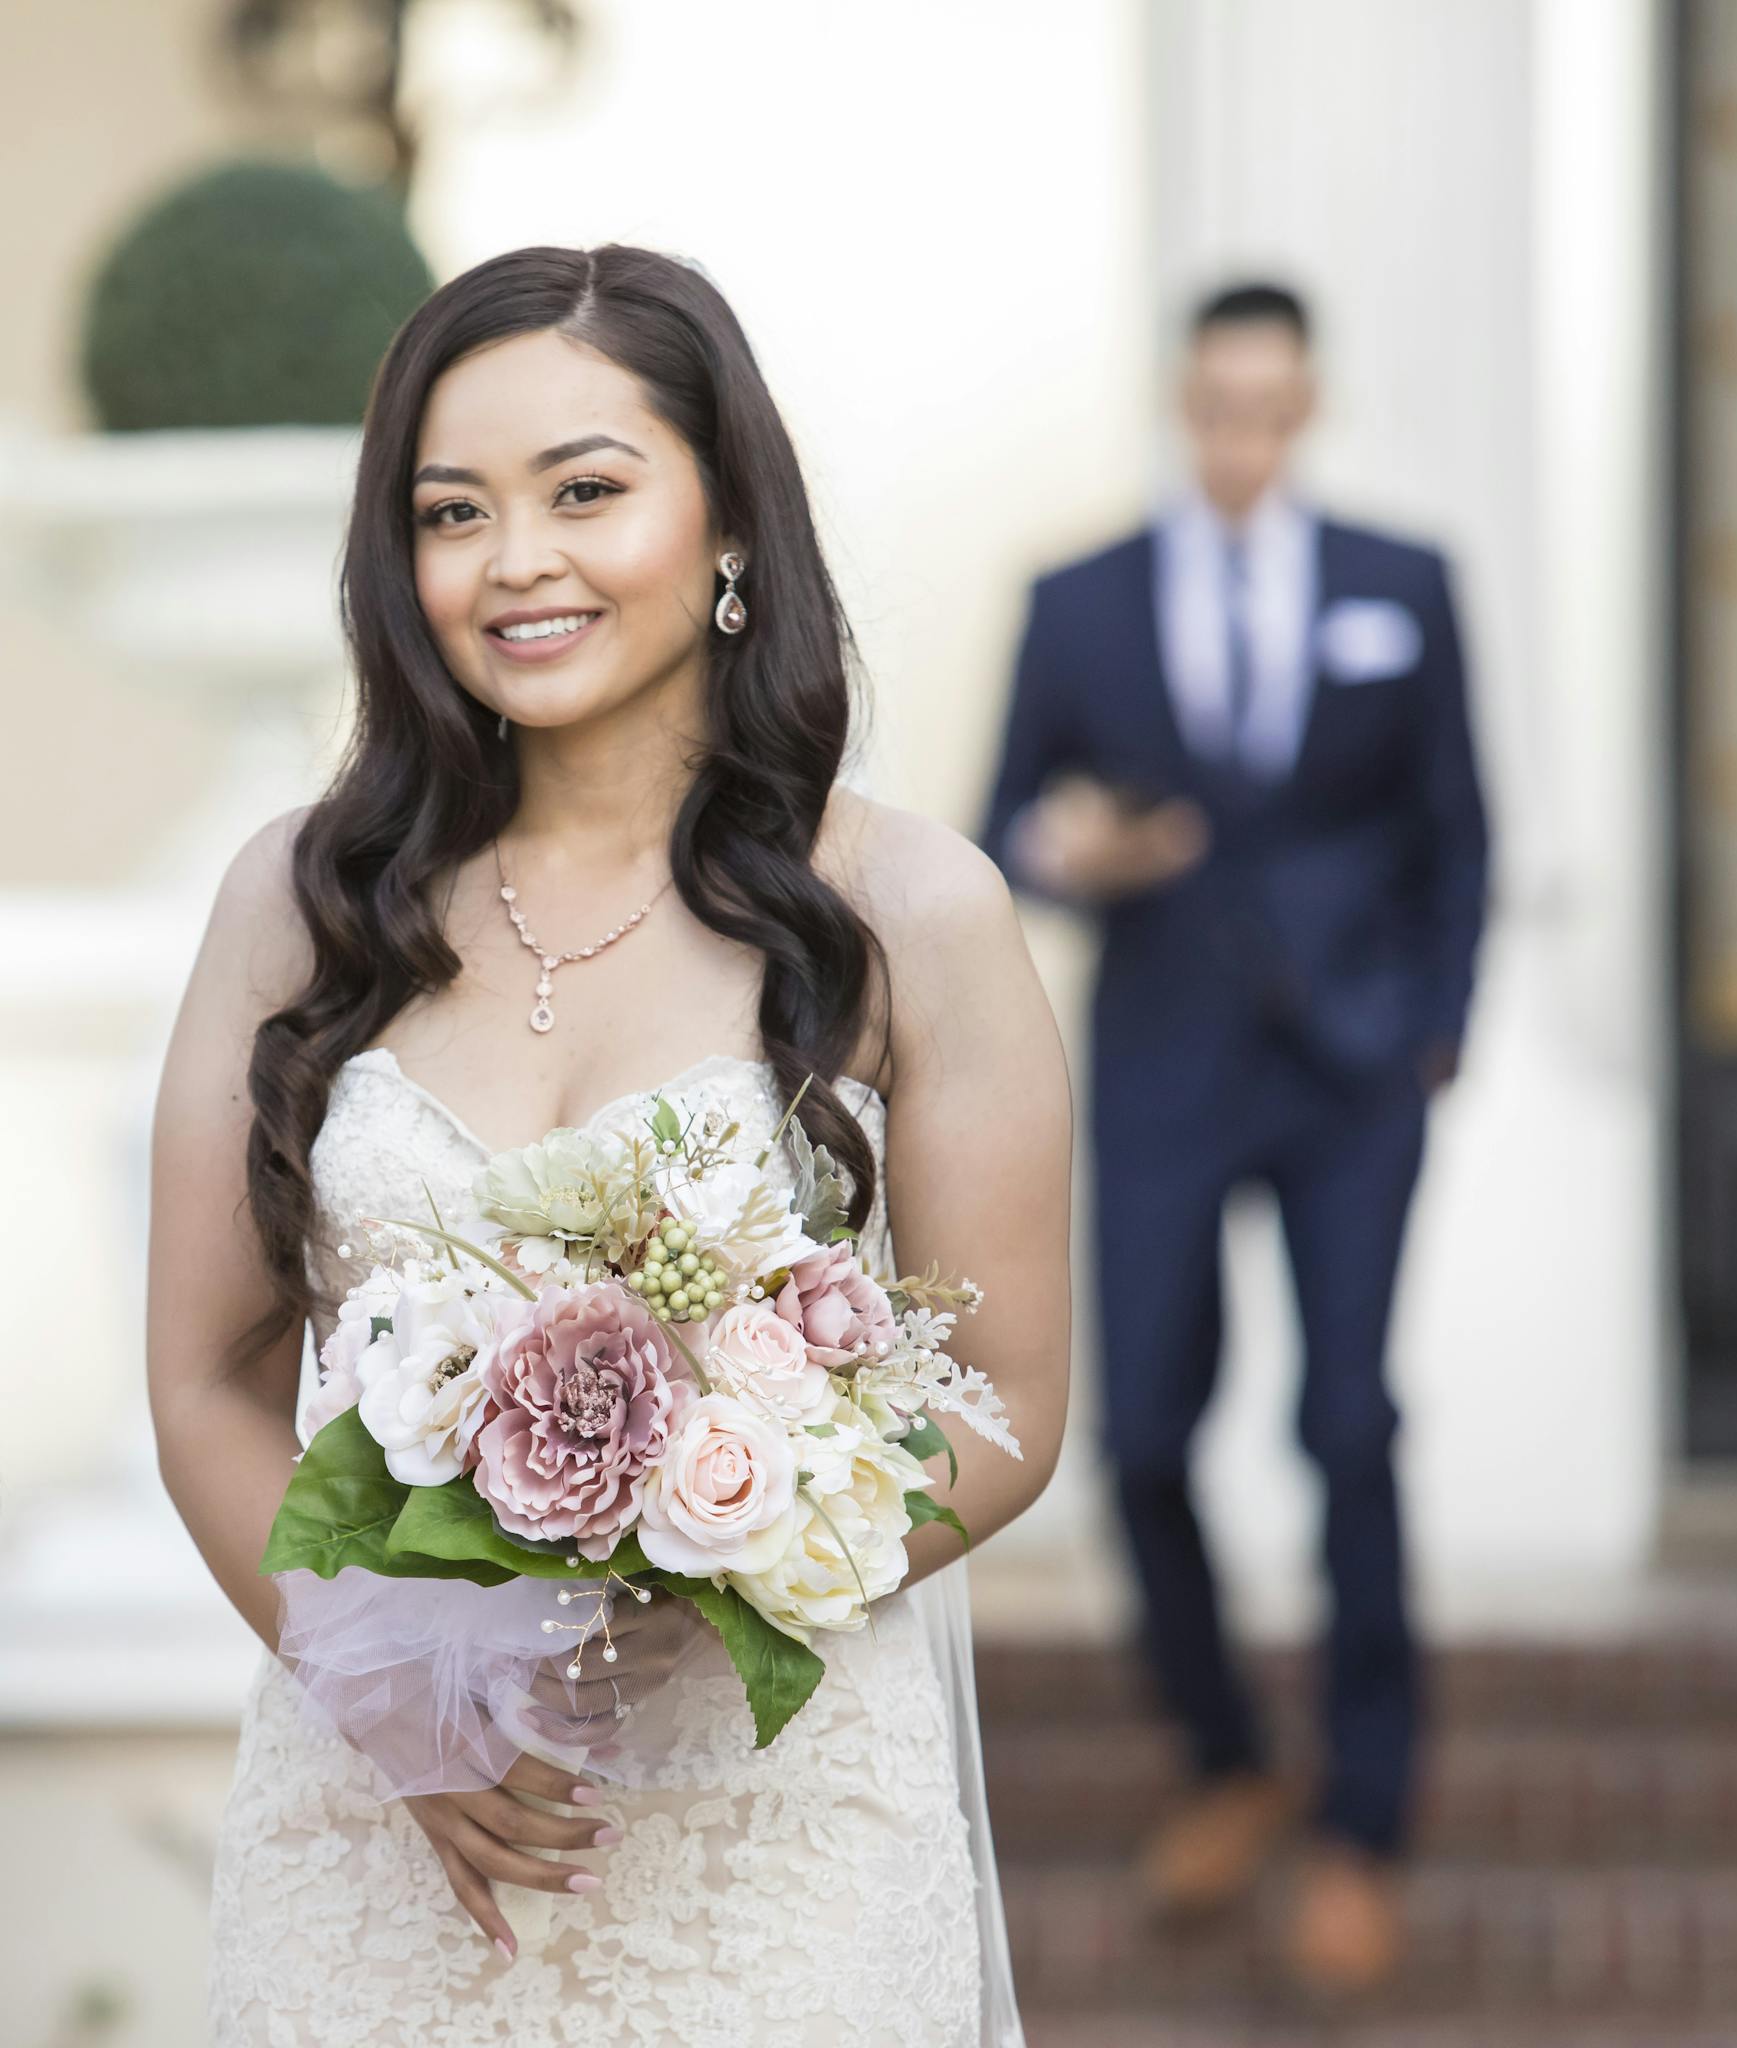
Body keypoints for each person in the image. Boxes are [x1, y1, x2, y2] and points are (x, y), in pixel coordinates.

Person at [148, 243, 1071, 2047]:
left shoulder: (909, 909)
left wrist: (740, 1535)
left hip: (770, 1841)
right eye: (451, 511)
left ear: (726, 518)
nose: (517, 563)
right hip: (377, 1837)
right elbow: (205, 1377)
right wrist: (394, 1693)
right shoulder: (300, 898)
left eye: (586, 490)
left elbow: (1011, 1402)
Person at [978, 282, 1488, 1991]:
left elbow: (1456, 824)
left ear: (1309, 405)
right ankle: (1223, 1755)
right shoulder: (1082, 601)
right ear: (1184, 405)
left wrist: (1437, 1031)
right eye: (1219, 407)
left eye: (1273, 408)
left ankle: (1363, 1819)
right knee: (1137, 1444)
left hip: (1354, 1076)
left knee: (1348, 1425)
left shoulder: (1403, 586)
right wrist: (1075, 855)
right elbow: (1002, 825)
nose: (1245, 439)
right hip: (1168, 1066)